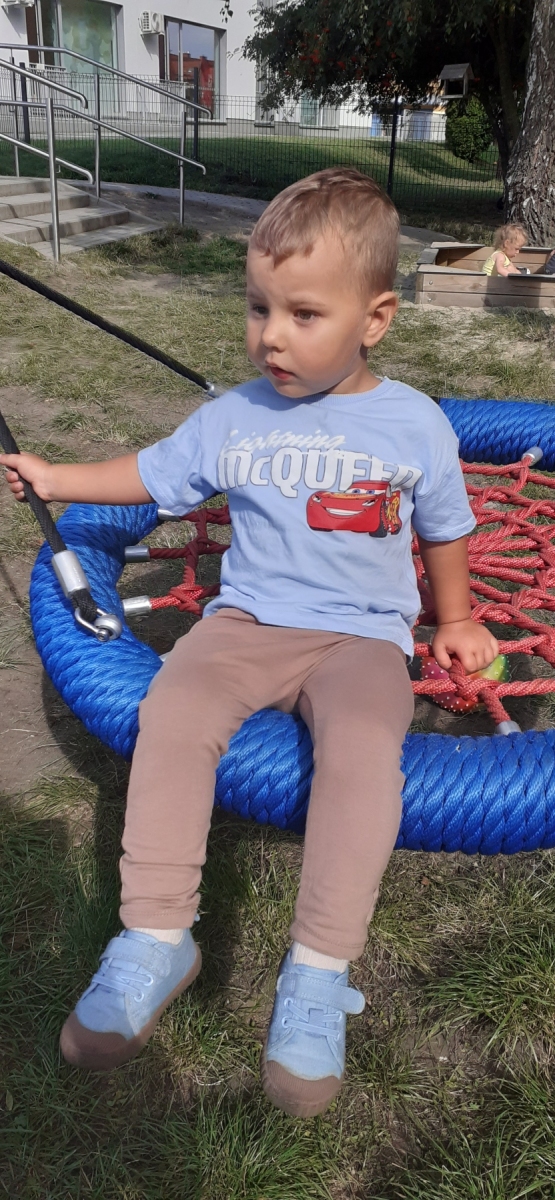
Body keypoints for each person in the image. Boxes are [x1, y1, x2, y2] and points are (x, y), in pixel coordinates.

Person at [0, 168, 497, 1118]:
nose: (271, 334)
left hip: (359, 638)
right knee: (174, 709)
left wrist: (456, 617)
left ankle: (317, 971)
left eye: (303, 314)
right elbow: (152, 473)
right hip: (246, 622)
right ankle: (156, 936)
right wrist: (58, 476)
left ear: (375, 319)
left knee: (363, 750)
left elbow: (444, 529)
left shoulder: (414, 423)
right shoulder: (236, 416)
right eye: (258, 306)